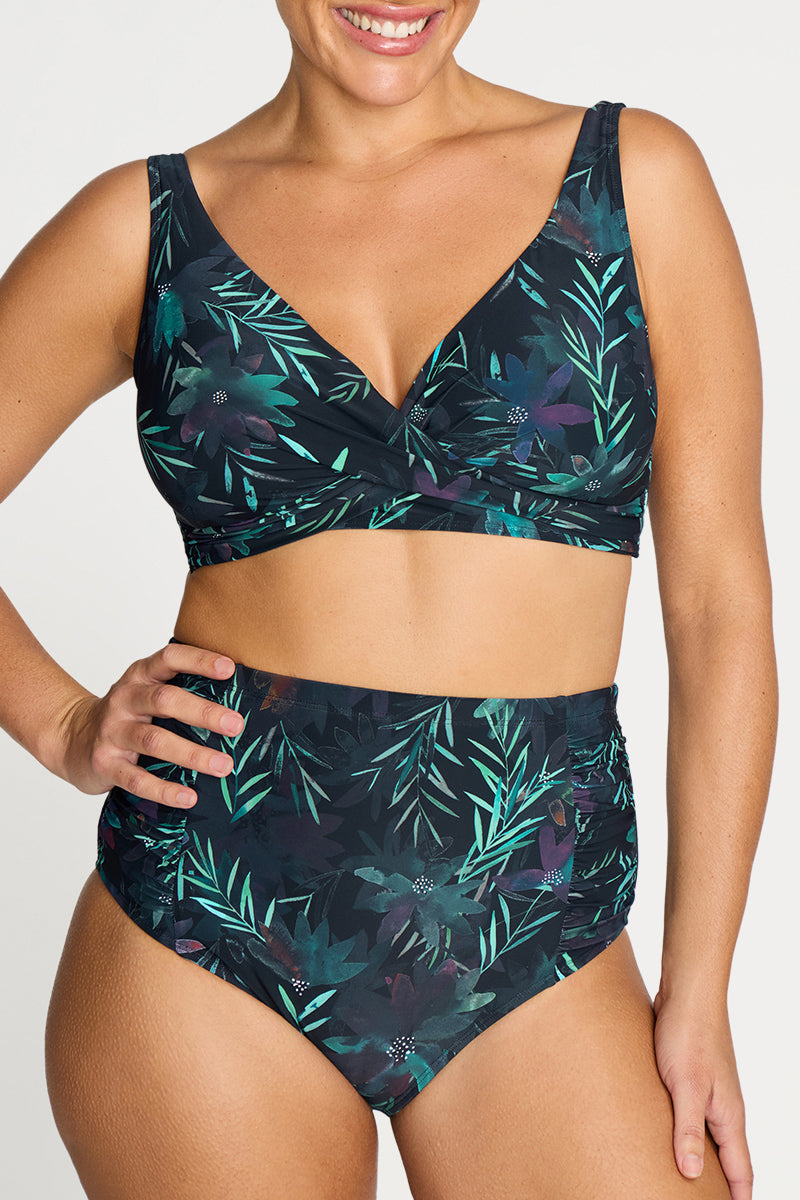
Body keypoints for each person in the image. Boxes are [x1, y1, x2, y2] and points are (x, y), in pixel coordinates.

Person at [0, 2, 777, 1197]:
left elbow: (718, 607)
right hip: (209, 919)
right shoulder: (145, 226)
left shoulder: (634, 181)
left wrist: (699, 987)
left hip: (540, 919)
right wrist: (61, 724)